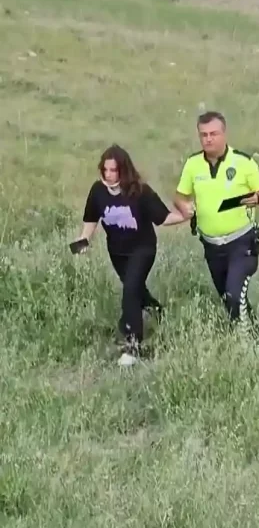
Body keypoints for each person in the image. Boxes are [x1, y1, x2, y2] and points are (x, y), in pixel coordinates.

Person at [75, 145, 189, 365]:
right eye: (105, 170)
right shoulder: (98, 191)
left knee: (129, 290)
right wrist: (84, 240)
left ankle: (133, 344)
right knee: (136, 289)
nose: (108, 175)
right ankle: (156, 310)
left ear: (123, 170)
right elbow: (91, 218)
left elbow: (163, 218)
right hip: (117, 252)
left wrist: (186, 215)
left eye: (113, 170)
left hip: (143, 249)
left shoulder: (140, 191)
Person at [174, 111, 259, 325]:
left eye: (213, 134)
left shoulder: (243, 162)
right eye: (203, 135)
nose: (208, 139)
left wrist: (257, 197)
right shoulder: (193, 164)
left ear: (224, 134)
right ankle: (251, 334)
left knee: (235, 295)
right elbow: (179, 197)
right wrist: (184, 207)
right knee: (228, 299)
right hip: (212, 246)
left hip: (241, 243)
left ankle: (247, 344)